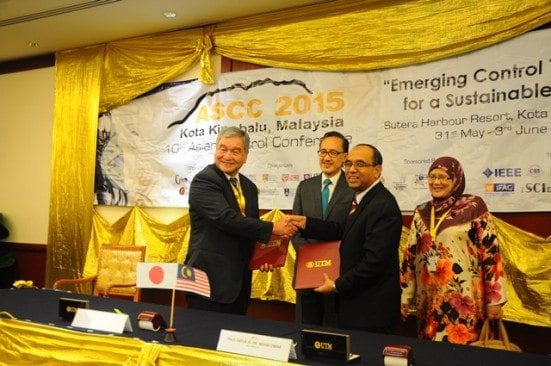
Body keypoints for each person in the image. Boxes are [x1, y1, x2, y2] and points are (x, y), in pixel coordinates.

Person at [184, 126, 297, 315]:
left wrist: (263, 257)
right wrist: (272, 228)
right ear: (216, 150)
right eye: (223, 149)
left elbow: (246, 230)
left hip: (239, 283)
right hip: (207, 280)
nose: (227, 156)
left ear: (245, 155)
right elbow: (225, 218)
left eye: (236, 151)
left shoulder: (249, 187)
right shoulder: (204, 181)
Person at [291, 144, 403, 333]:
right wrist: (305, 223)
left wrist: (336, 285)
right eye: (348, 164)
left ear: (377, 170)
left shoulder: (382, 206)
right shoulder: (362, 199)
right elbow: (341, 230)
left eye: (360, 164)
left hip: (370, 310)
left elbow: (374, 262)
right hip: (354, 305)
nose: (351, 170)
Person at [399, 156, 506, 344]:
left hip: (464, 298)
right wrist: (406, 295)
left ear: (456, 180)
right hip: (430, 299)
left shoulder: (474, 207)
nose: (436, 182)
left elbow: (491, 254)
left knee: (463, 352)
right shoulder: (421, 211)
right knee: (431, 351)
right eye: (432, 177)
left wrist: (495, 300)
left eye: (443, 177)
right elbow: (410, 255)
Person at [292, 131, 354, 326]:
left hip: (339, 275)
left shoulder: (354, 187)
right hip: (307, 273)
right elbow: (295, 229)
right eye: (323, 152)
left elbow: (350, 231)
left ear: (345, 157)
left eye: (334, 153)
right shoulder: (305, 187)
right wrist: (310, 257)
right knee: (305, 332)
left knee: (337, 333)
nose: (327, 158)